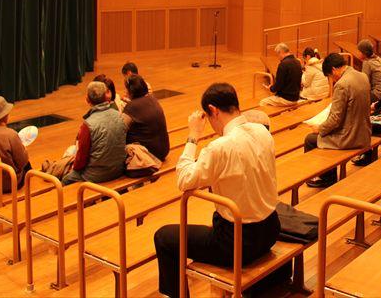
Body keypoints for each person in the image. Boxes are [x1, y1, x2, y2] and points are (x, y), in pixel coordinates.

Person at [153, 83, 280, 298]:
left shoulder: (220, 147)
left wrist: (193, 135)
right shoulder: (262, 131)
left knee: (164, 237)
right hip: (270, 230)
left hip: (237, 243)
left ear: (213, 110)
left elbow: (184, 179)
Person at [304, 53, 371, 188]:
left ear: (334, 70)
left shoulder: (342, 84)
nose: (331, 79)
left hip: (350, 137)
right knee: (324, 131)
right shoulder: (362, 76)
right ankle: (327, 175)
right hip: (364, 133)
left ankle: (327, 177)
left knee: (310, 139)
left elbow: (335, 119)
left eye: (330, 76)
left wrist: (320, 128)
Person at [62, 82, 126, 186]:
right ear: (106, 96)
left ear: (87, 99)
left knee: (65, 180)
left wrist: (73, 167)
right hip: (119, 169)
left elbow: (80, 160)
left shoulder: (88, 125)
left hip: (96, 176)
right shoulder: (119, 115)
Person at [123, 75, 170, 161]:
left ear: (131, 91)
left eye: (126, 89)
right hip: (163, 150)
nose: (125, 91)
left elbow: (119, 129)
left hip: (146, 155)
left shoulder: (131, 107)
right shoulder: (153, 99)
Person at [357, 38, 381, 103]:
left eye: (359, 51)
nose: (357, 53)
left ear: (364, 53)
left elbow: (364, 83)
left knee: (356, 97)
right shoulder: (379, 59)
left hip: (378, 95)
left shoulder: (367, 63)